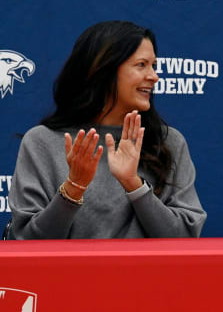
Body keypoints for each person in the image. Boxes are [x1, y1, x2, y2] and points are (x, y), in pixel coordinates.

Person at [9, 21, 206, 239]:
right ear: (103, 70)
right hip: (69, 274)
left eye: (153, 65)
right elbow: (25, 240)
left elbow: (185, 237)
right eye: (141, 65)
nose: (154, 76)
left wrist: (134, 185)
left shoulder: (168, 142)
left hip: (146, 274)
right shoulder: (41, 142)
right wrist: (74, 187)